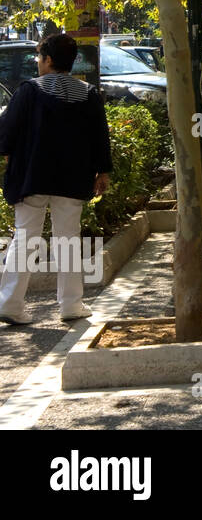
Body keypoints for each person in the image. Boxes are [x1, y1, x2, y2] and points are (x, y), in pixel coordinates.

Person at [0, 33, 112, 324]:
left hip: (31, 177)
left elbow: (6, 133)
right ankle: (71, 305)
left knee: (24, 238)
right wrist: (103, 171)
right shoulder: (88, 94)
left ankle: (10, 303)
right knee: (68, 239)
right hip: (71, 179)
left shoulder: (28, 91)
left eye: (39, 57)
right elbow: (100, 137)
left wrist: (8, 154)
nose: (38, 62)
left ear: (48, 60)